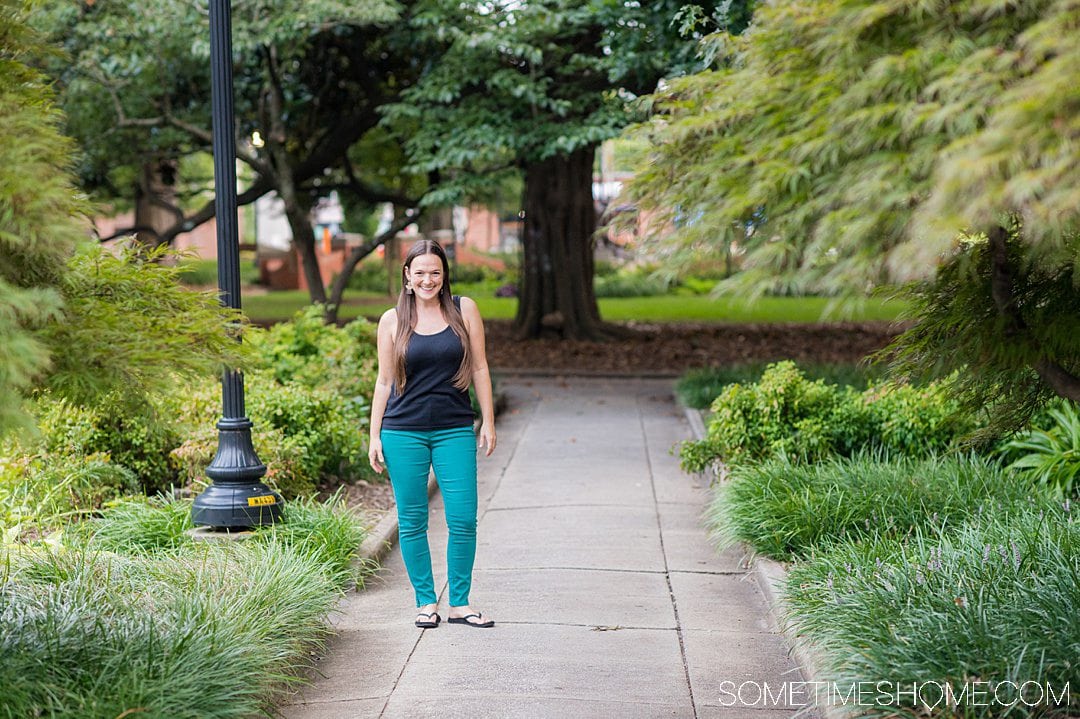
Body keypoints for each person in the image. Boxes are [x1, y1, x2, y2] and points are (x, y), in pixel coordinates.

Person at [368, 239, 497, 629]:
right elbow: (384, 381)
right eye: (420, 272)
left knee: (463, 519)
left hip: (454, 428)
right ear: (407, 276)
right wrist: (374, 435)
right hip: (402, 432)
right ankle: (426, 601)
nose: (428, 279)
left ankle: (459, 601)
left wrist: (488, 420)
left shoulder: (464, 309)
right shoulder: (392, 320)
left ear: (444, 276)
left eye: (435, 272)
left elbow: (479, 368)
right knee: (411, 520)